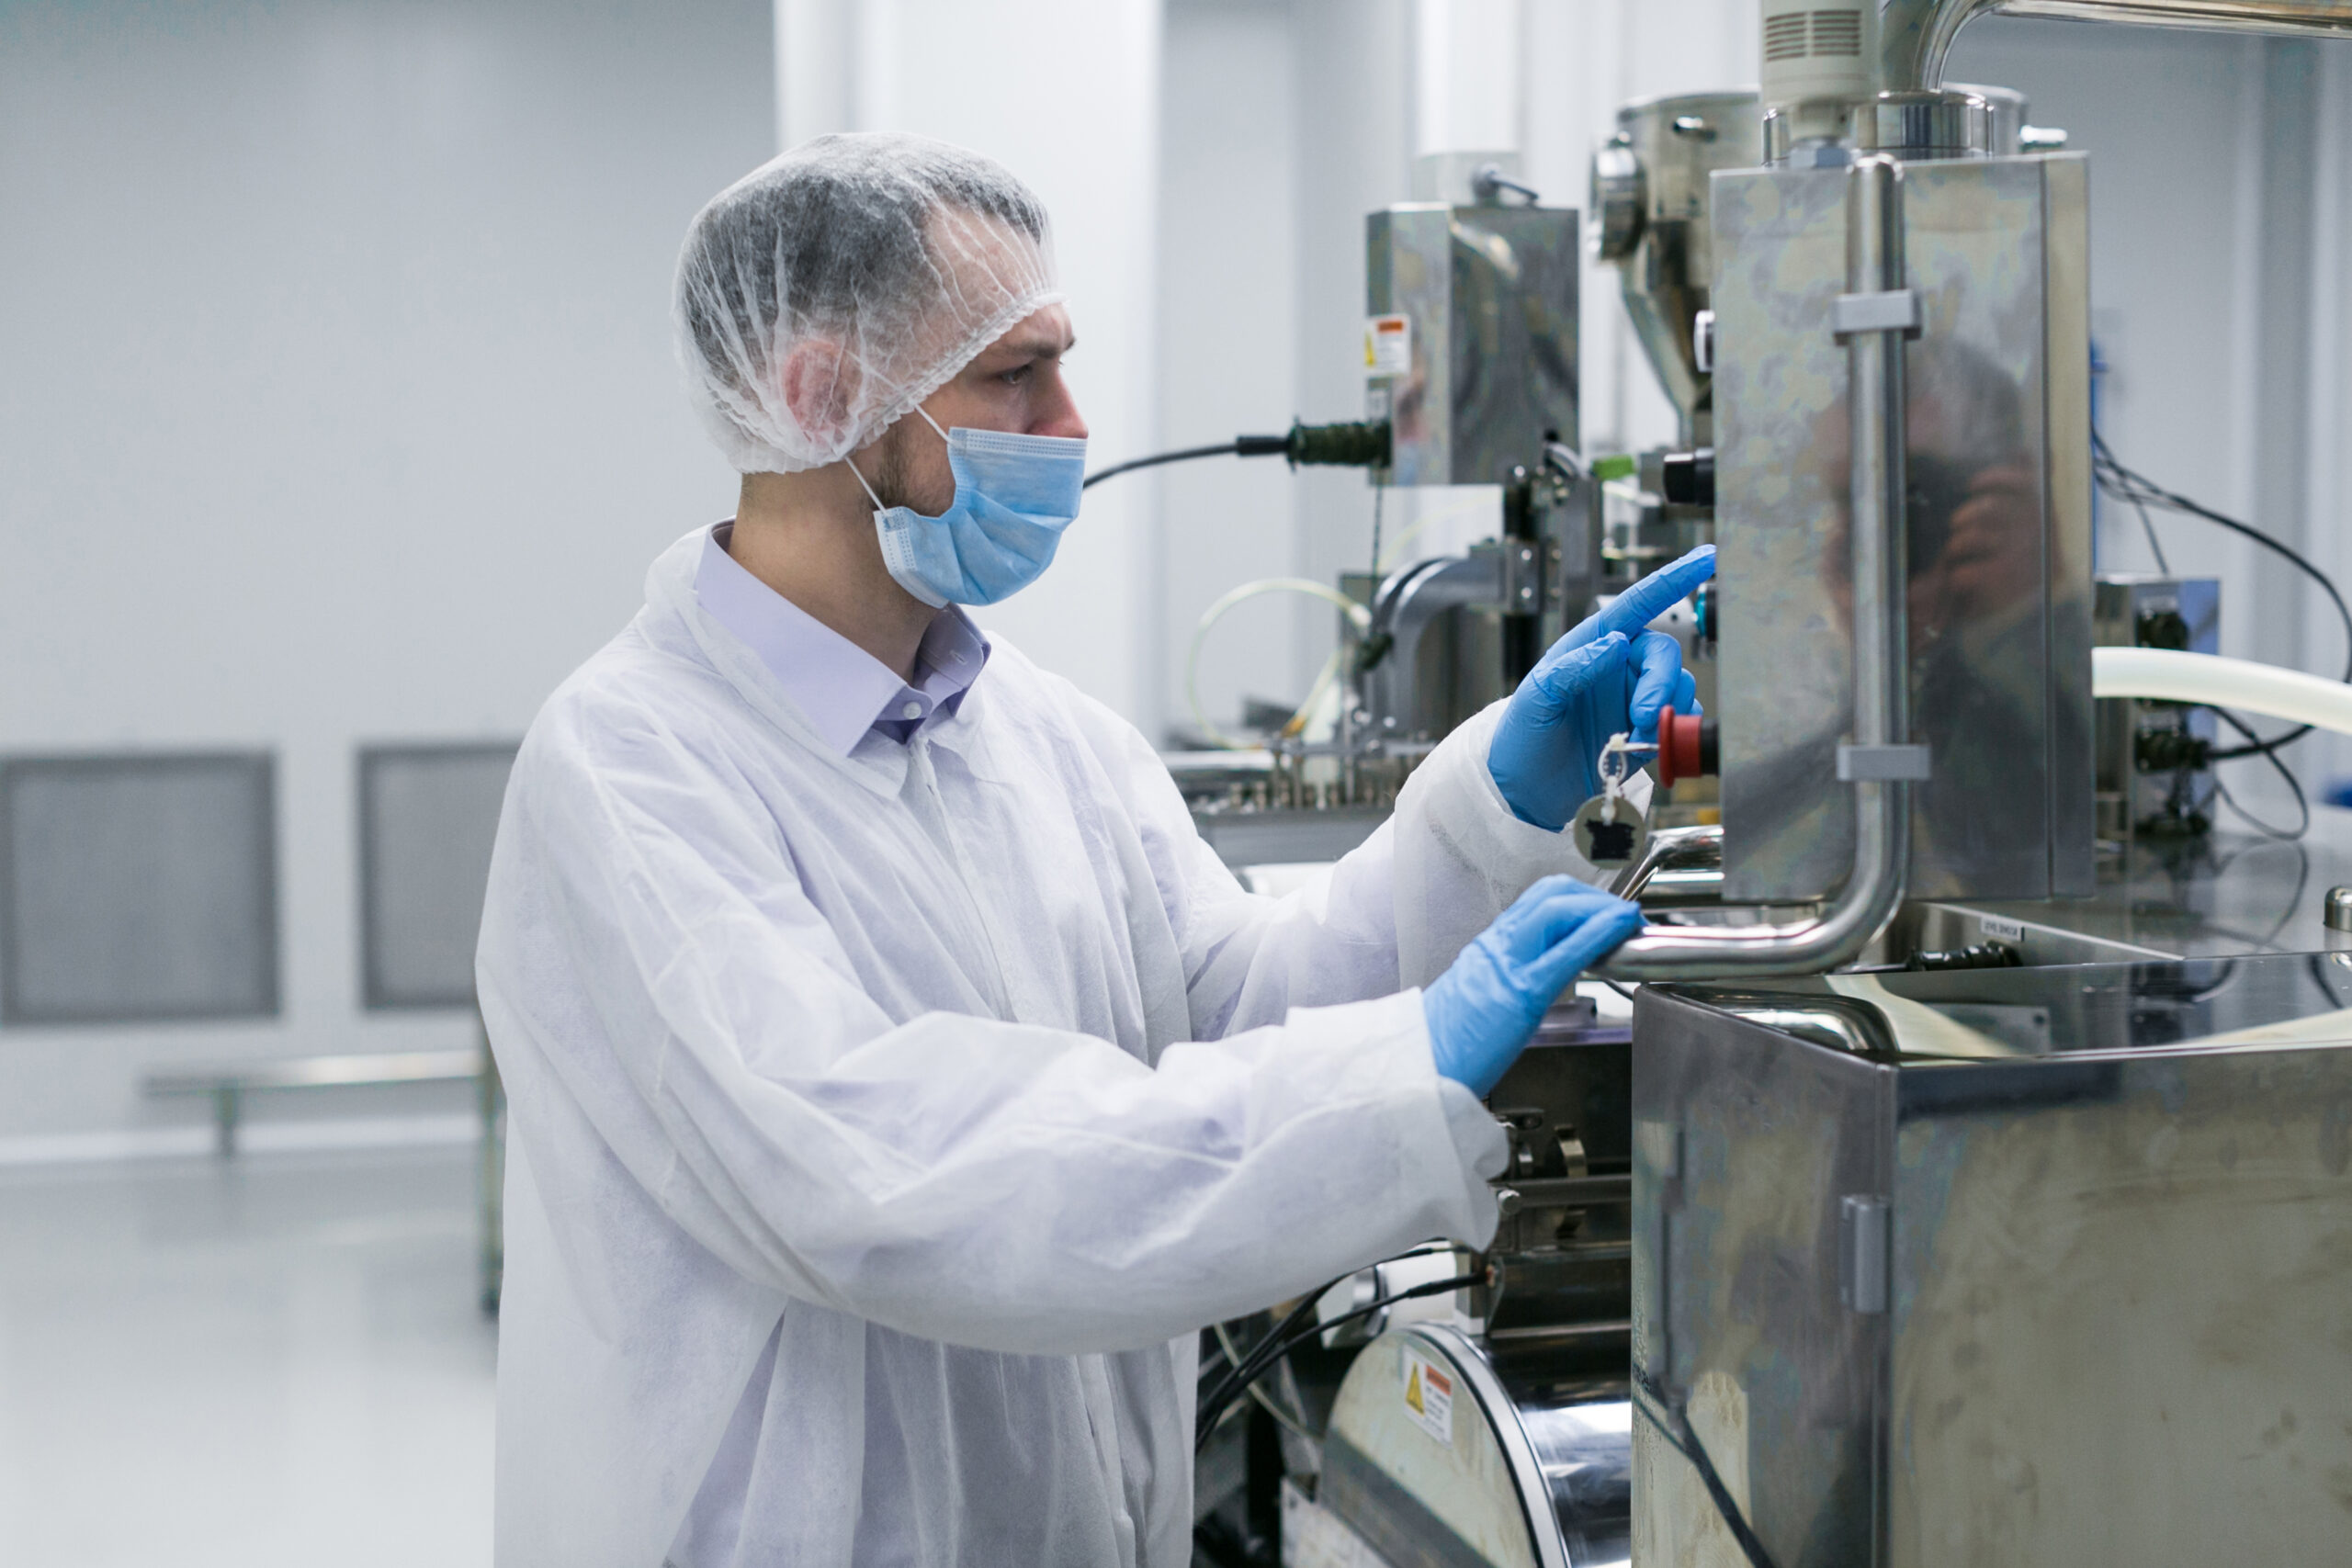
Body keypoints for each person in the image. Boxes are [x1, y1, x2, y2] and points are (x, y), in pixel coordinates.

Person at [476, 130, 1714, 1568]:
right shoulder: (632, 771)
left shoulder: (1042, 735)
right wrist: (1395, 1079)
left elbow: (1242, 1005)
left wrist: (1492, 812)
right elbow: (895, 1175)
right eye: (1015, 375)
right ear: (821, 394)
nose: (1072, 425)